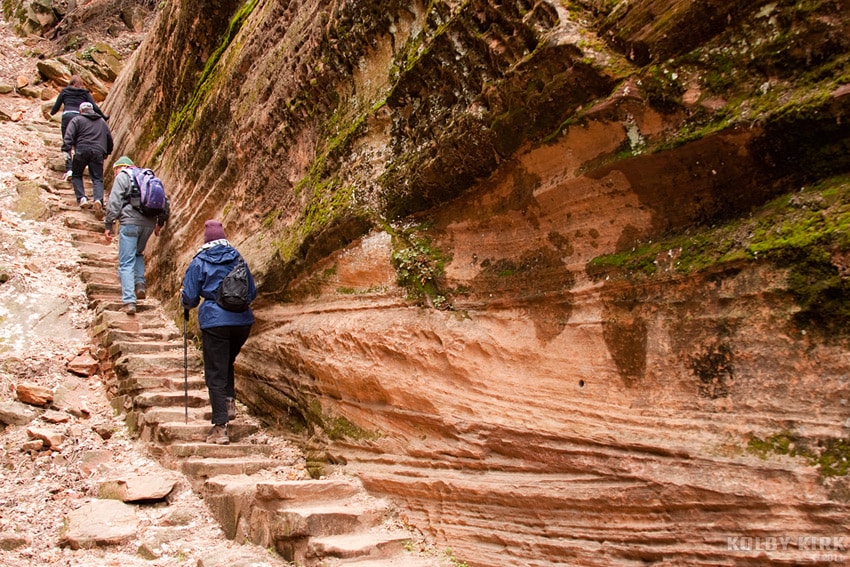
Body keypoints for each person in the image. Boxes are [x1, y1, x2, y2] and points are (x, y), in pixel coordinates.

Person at [181, 220, 257, 445]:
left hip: (215, 322)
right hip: (242, 321)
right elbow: (251, 292)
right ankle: (229, 402)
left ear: (206, 240)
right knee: (226, 364)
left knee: (215, 372)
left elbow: (191, 299)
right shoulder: (238, 258)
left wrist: (184, 299)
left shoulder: (200, 261)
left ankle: (220, 427)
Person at [104, 156, 169, 315]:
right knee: (138, 254)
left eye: (115, 170)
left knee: (126, 262)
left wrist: (109, 223)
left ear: (121, 167)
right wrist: (159, 224)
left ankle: (129, 301)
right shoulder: (148, 177)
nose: (114, 174)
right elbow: (164, 202)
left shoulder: (123, 176)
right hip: (148, 224)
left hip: (129, 223)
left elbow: (114, 201)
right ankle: (140, 284)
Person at [49, 75, 108, 180]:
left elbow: (57, 106)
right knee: (78, 143)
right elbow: (94, 106)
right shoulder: (84, 93)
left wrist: (52, 113)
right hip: (79, 118)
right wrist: (103, 116)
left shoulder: (65, 91)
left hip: (67, 117)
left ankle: (69, 169)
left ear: (70, 83)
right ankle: (77, 169)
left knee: (67, 143)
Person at [62, 102, 113, 213]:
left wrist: (66, 149)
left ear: (81, 111)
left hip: (81, 149)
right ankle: (98, 200)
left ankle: (82, 198)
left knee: (76, 174)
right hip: (98, 151)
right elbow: (109, 138)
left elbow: (69, 135)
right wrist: (107, 152)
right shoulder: (102, 122)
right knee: (97, 178)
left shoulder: (77, 120)